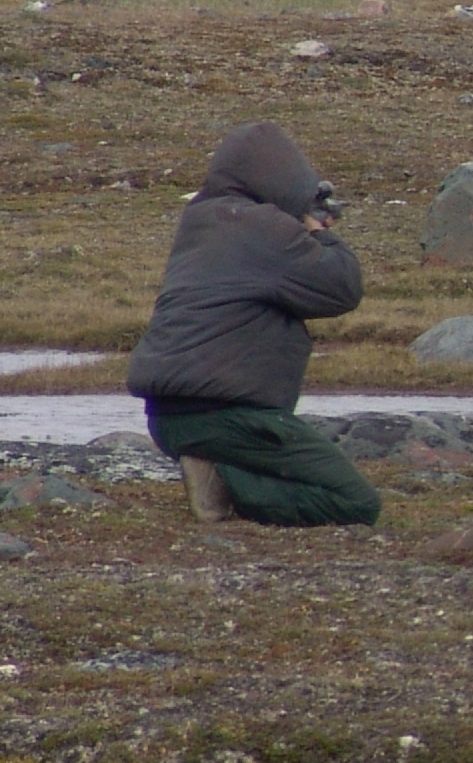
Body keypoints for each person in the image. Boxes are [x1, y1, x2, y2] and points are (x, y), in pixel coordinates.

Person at [124, 121, 383, 526]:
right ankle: (225, 483)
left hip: (168, 417)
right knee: (354, 502)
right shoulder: (264, 227)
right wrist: (318, 231)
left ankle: (215, 465)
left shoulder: (201, 219)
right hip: (225, 416)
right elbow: (341, 288)